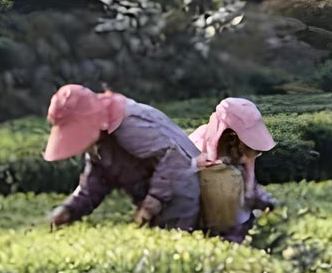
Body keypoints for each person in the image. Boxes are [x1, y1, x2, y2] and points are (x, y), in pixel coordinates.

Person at [44, 83, 202, 231]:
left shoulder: (130, 125)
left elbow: (175, 158)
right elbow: (96, 179)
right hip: (159, 200)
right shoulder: (100, 137)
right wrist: (69, 209)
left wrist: (152, 203)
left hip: (183, 192)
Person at [188, 97, 279, 244]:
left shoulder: (243, 153)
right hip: (205, 232)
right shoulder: (194, 148)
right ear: (229, 136)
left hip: (241, 228)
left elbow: (251, 185)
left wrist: (262, 199)